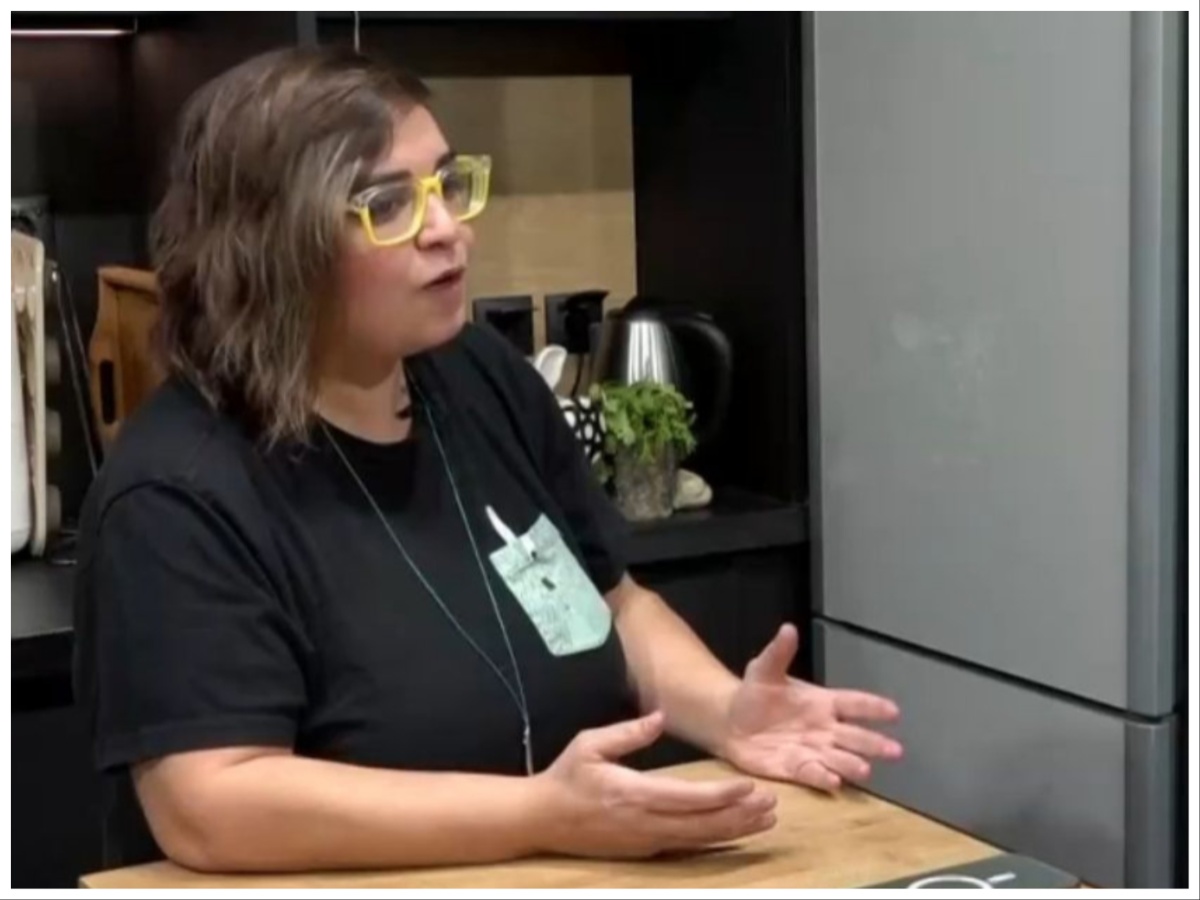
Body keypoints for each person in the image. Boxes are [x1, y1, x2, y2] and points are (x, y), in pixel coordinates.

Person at [73, 45, 903, 875]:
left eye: (446, 184)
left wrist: (725, 711)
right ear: (271, 247)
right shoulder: (177, 494)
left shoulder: (477, 376)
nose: (447, 229)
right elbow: (212, 805)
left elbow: (613, 605)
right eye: (388, 204)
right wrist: (543, 815)